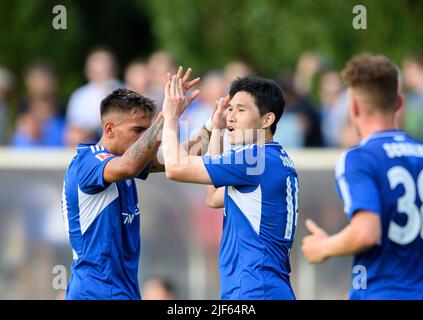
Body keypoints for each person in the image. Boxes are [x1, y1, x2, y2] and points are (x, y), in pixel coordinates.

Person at [62, 68, 200, 300]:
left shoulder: (122, 164)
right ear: (109, 129)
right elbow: (130, 165)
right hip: (95, 292)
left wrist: (214, 129)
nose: (145, 139)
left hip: (123, 290)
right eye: (137, 130)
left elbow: (177, 158)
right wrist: (166, 116)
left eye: (147, 131)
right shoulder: (88, 162)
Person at [161, 74, 299, 299]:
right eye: (230, 108)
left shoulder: (255, 158)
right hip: (262, 289)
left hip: (254, 292)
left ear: (267, 120)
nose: (231, 117)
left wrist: (170, 116)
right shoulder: (270, 158)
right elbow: (214, 197)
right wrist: (217, 130)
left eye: (241, 110)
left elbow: (175, 168)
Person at [301, 53, 423, 300]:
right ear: (399, 103)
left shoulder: (358, 158)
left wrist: (323, 247)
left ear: (353, 106)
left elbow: (367, 232)